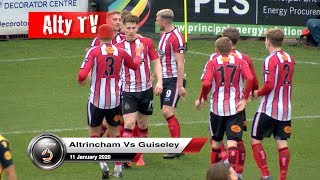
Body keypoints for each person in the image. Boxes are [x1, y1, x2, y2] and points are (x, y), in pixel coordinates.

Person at [77, 24, 143, 179]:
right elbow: (134, 65)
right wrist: (138, 53)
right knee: (115, 133)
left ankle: (103, 163)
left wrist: (80, 79)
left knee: (94, 132)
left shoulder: (94, 51)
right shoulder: (121, 51)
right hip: (114, 101)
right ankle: (118, 168)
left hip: (96, 100)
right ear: (113, 36)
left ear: (99, 36)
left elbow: (82, 75)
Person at [195, 37, 253, 176]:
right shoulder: (240, 62)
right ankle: (232, 175)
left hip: (216, 109)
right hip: (235, 108)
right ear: (231, 48)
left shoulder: (212, 63)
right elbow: (250, 78)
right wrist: (244, 99)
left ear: (216, 50)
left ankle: (215, 176)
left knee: (216, 143)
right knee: (232, 143)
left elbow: (206, 84)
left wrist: (202, 98)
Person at [116, 14, 163, 166]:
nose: (130, 31)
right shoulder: (118, 47)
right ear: (122, 28)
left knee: (142, 124)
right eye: (128, 28)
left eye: (133, 28)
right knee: (129, 124)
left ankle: (139, 154)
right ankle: (127, 156)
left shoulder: (146, 42)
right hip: (128, 91)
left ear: (138, 27)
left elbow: (156, 61)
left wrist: (159, 81)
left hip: (146, 90)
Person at [251, 28, 295, 180]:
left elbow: (269, 85)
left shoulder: (270, 60)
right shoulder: (290, 58)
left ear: (268, 41)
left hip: (269, 108)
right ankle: (282, 177)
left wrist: (257, 93)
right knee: (282, 142)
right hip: (286, 109)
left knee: (255, 140)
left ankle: (265, 175)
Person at [221, 27, 259, 179]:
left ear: (224, 40)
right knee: (237, 139)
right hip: (238, 105)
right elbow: (253, 79)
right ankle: (239, 172)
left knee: (215, 138)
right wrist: (251, 93)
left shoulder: (216, 56)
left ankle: (226, 162)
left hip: (219, 105)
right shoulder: (245, 58)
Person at [155, 9, 187, 159]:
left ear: (164, 22)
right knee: (168, 112)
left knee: (167, 112)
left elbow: (180, 63)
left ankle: (176, 148)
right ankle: (178, 145)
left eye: (157, 19)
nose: (156, 21)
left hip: (174, 79)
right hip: (165, 79)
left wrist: (180, 85)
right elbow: (159, 59)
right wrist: (154, 77)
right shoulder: (163, 36)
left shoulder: (177, 38)